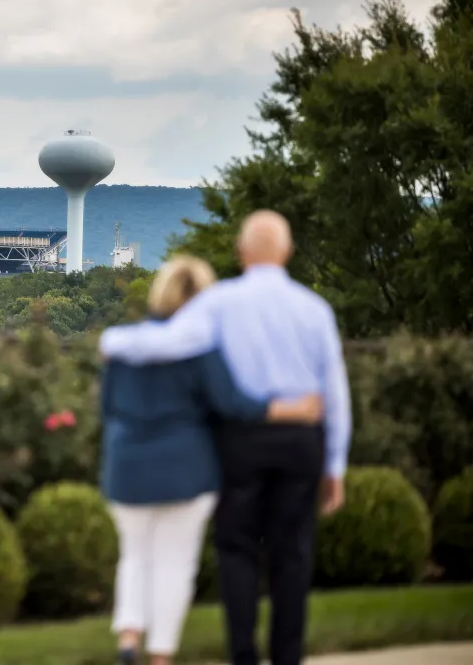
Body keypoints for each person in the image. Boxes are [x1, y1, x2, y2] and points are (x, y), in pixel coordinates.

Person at [99, 211, 352, 665]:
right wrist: (335, 464)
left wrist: (113, 342)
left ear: (241, 252)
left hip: (243, 441)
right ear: (288, 252)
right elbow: (334, 391)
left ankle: (242, 654)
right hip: (300, 441)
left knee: (237, 552)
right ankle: (287, 656)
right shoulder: (315, 310)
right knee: (291, 555)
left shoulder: (220, 305)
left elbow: (165, 343)